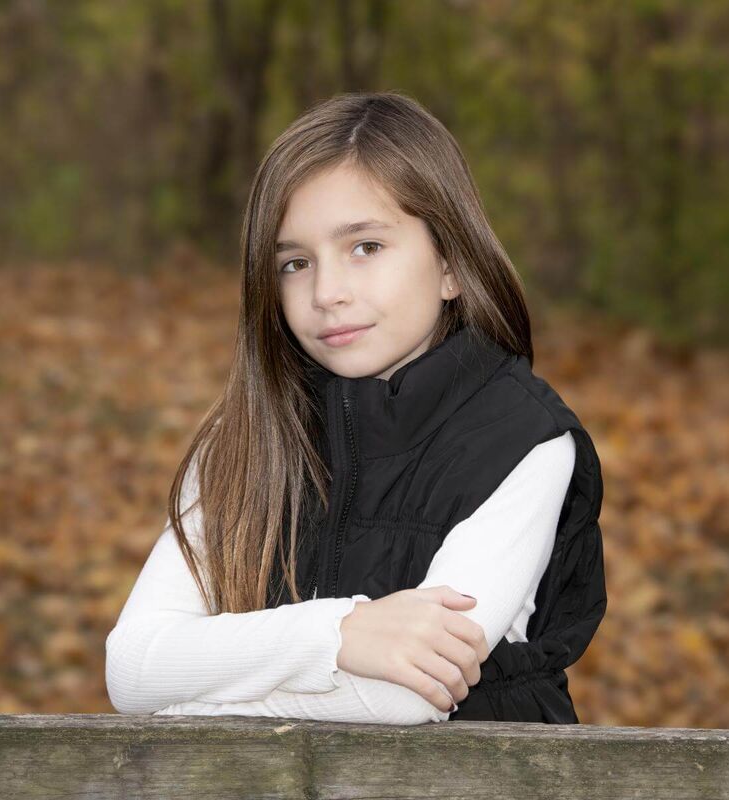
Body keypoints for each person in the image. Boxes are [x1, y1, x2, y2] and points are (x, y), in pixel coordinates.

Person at [105, 91, 606, 725]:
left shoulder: (523, 442)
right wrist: (339, 635)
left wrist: (185, 703)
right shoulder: (247, 439)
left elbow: (410, 694)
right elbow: (133, 667)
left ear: (451, 264)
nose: (327, 292)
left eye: (365, 247)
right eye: (295, 263)